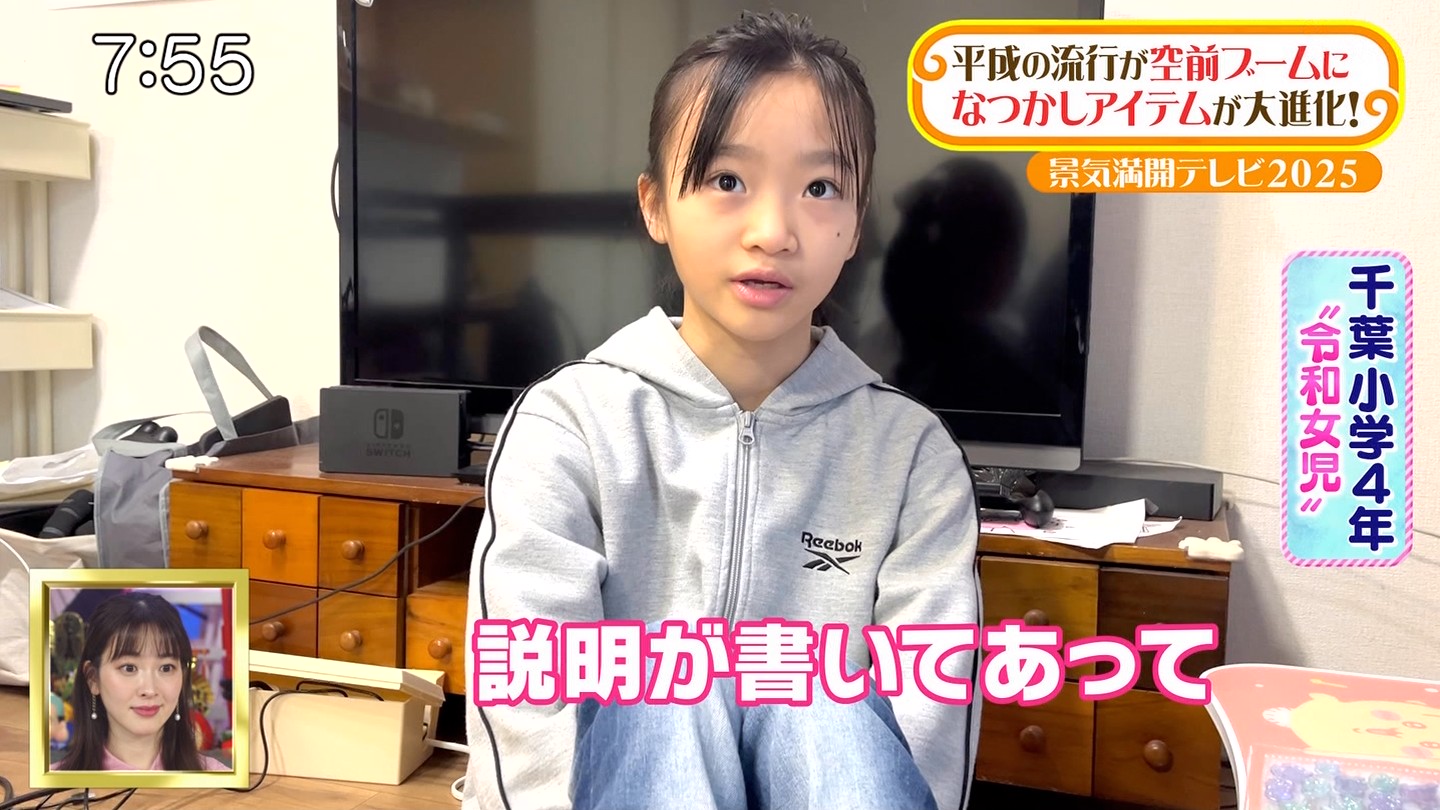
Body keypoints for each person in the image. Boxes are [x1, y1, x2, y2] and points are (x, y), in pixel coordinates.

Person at [463, 10, 980, 810]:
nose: (772, 233)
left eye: (819, 188)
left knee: (820, 695)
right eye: (727, 180)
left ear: (856, 224)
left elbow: (928, 731)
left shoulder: (913, 457)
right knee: (667, 684)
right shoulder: (568, 425)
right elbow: (529, 706)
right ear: (655, 206)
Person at [52, 592, 229, 772]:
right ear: (93, 679)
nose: (149, 689)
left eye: (166, 668)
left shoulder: (217, 779)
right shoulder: (52, 785)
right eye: (129, 668)